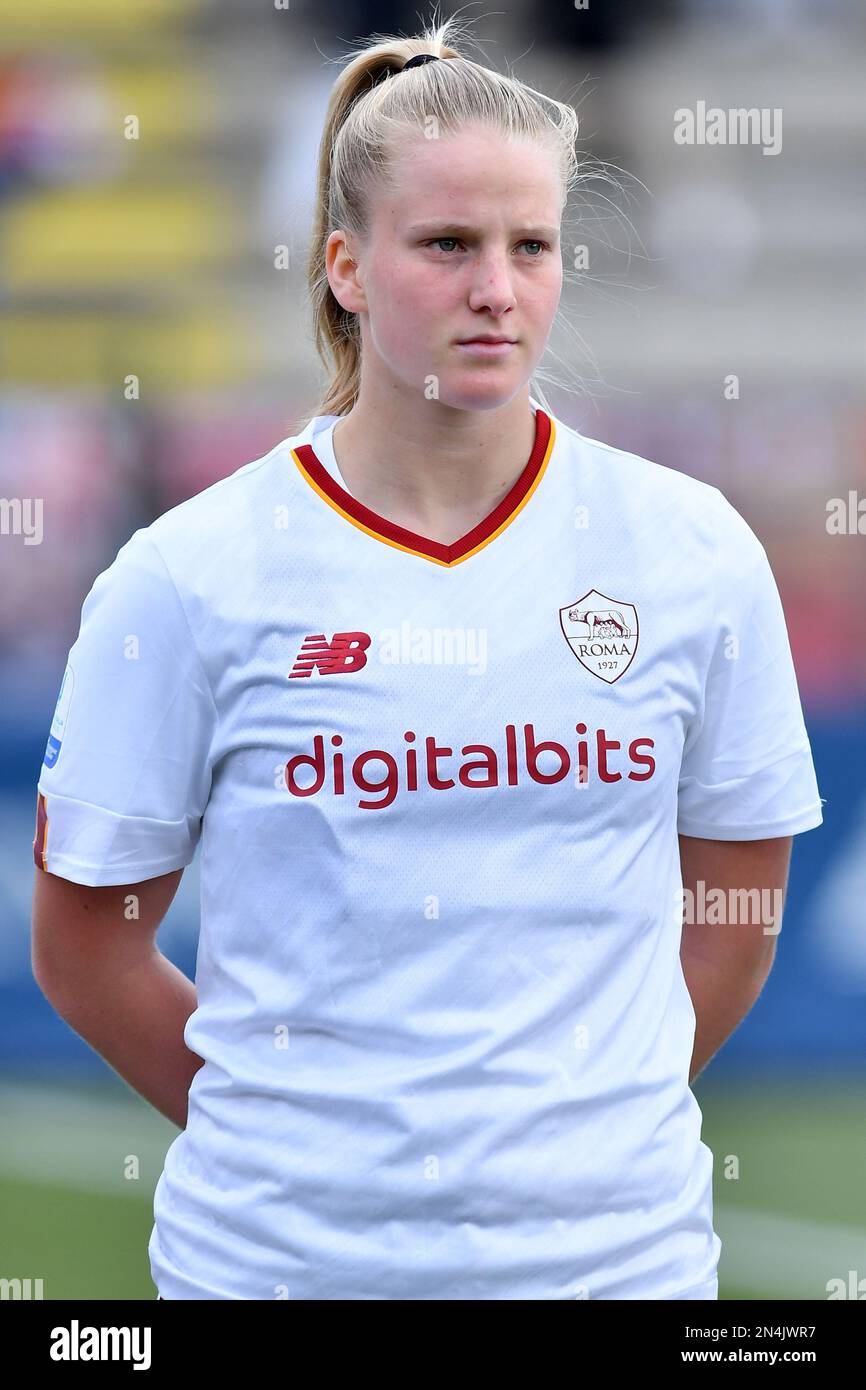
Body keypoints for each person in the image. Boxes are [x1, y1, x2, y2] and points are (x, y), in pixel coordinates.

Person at [31, 14, 824, 1301]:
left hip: (616, 1272)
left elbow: (734, 907)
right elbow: (87, 943)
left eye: (530, 246)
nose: (496, 289)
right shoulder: (188, 574)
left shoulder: (690, 552)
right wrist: (293, 1135)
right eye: (446, 244)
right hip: (278, 1272)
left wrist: (567, 1139)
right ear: (343, 265)